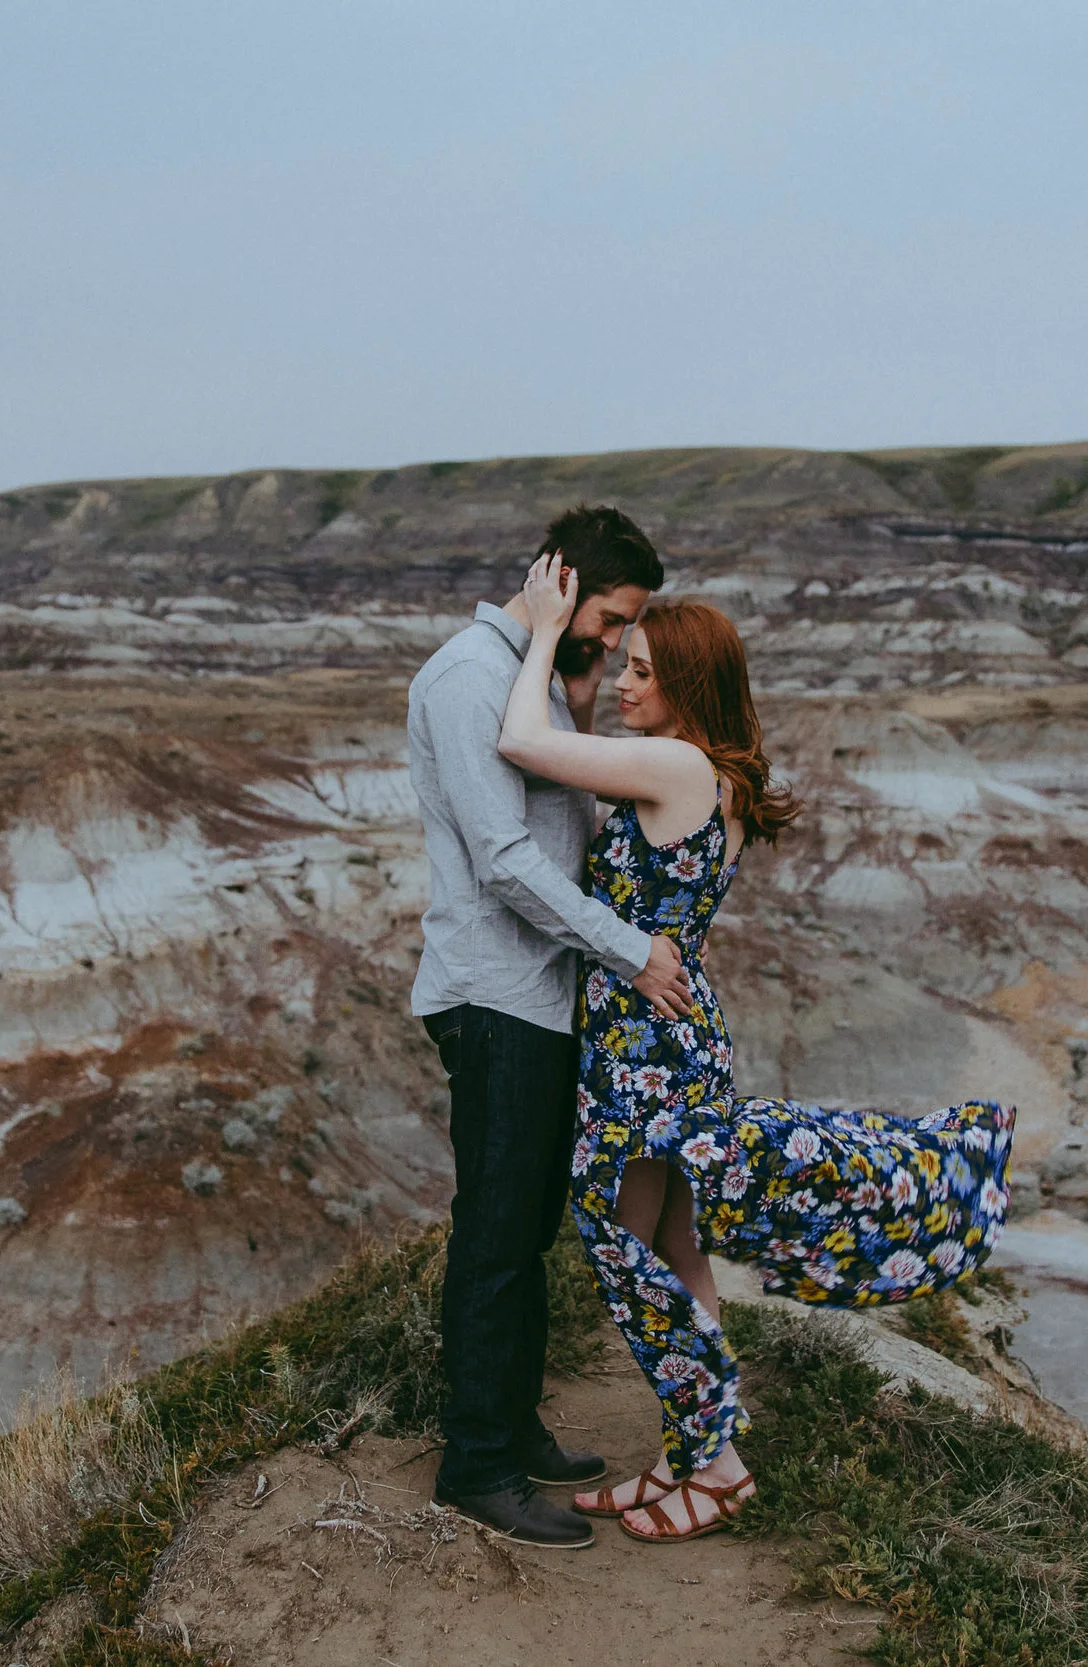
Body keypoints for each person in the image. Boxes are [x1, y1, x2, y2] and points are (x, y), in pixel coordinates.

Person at [496, 553, 1016, 1544]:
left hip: (643, 1044)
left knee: (622, 1247)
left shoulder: (678, 766)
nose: (626, 682)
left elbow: (520, 738)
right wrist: (572, 657)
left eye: (645, 668)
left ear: (691, 684)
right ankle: (694, 1456)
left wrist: (538, 627)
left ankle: (720, 1464)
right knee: (669, 1243)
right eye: (626, 662)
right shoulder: (717, 775)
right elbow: (569, 735)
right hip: (666, 1030)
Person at [408, 504, 697, 1549]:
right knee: (493, 1233)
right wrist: (629, 948)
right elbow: (505, 857)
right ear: (564, 585)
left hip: (539, 994)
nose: (619, 645)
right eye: (613, 619)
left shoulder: (530, 673)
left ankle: (510, 1422)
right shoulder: (467, 678)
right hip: (495, 995)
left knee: (526, 1229)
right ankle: (475, 1463)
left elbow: (564, 823)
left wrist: (569, 679)